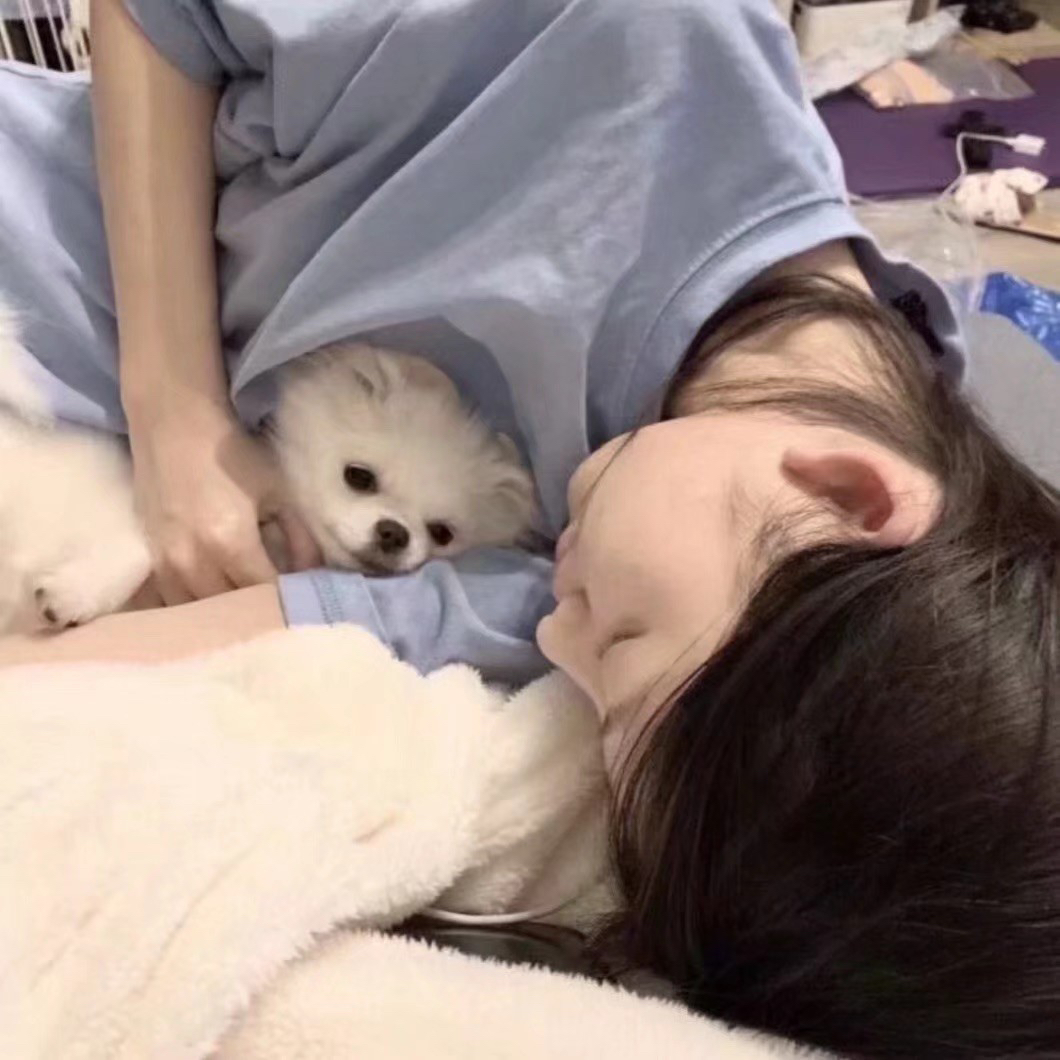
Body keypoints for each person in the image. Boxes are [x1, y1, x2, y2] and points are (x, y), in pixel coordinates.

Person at [0, 0, 1057, 1055]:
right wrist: (175, 402)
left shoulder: (645, 585)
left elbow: (152, 647)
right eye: (622, 639)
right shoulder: (639, 45)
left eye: (590, 698)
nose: (555, 635)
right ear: (846, 493)